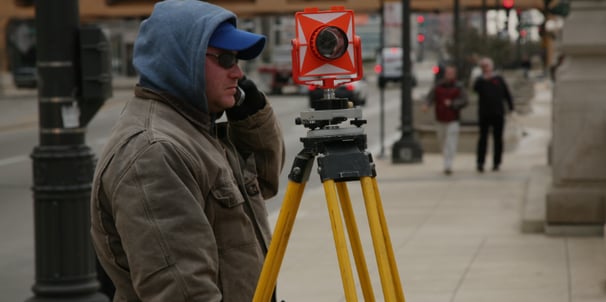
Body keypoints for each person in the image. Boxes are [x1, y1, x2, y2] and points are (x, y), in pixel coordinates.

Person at [90, 1, 285, 301]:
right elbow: (183, 292)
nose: (237, 72)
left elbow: (262, 183)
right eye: (226, 59)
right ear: (183, 60)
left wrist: (250, 114)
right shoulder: (154, 152)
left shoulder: (196, 128)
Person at [423, 65, 468, 175]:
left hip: (453, 119)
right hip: (440, 118)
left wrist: (452, 104)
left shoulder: (459, 86)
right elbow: (430, 97)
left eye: (451, 73)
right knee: (443, 141)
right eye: (447, 73)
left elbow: (464, 100)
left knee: (451, 142)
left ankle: (448, 164)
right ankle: (446, 160)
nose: (449, 75)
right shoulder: (438, 86)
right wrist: (426, 105)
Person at [473, 57, 514, 172]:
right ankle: (480, 162)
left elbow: (507, 94)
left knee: (498, 139)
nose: (485, 68)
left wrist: (511, 108)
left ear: (491, 66)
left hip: (498, 113)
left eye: (487, 66)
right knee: (483, 139)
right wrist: (482, 79)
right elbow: (474, 89)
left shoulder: (499, 79)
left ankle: (497, 162)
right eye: (483, 66)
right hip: (484, 114)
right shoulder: (480, 80)